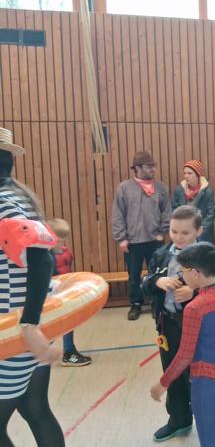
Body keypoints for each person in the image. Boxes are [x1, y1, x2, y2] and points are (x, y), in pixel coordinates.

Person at [143, 206, 215, 444]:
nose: (178, 237)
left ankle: (214, 431)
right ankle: (179, 419)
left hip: (200, 329)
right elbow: (145, 283)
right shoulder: (161, 254)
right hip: (168, 325)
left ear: (199, 231)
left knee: (201, 382)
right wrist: (157, 281)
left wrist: (195, 292)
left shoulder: (209, 255)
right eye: (174, 231)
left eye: (185, 233)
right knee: (172, 373)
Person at [0, 128, 64, 447]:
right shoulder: (16, 198)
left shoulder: (4, 203)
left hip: (15, 330)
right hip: (24, 325)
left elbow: (42, 259)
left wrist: (29, 325)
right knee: (35, 408)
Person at [112, 150, 171, 321]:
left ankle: (155, 302)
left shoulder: (161, 188)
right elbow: (118, 214)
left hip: (155, 241)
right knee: (133, 275)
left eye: (154, 166)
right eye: (149, 166)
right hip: (132, 241)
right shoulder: (124, 188)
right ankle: (135, 304)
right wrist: (121, 238)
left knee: (157, 273)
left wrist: (162, 232)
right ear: (137, 168)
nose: (153, 169)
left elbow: (167, 212)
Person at [47, 218, 92, 367]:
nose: (61, 243)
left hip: (64, 294)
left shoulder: (65, 253)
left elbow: (67, 272)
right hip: (52, 297)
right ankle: (63, 353)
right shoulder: (46, 256)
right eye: (59, 240)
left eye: (63, 239)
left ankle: (69, 351)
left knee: (69, 322)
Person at [172, 159, 215, 243]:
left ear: (198, 175)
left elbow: (211, 214)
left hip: (202, 235)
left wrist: (200, 230)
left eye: (189, 173)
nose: (186, 176)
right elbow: (175, 209)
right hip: (183, 233)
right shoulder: (179, 190)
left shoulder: (207, 191)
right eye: (185, 173)